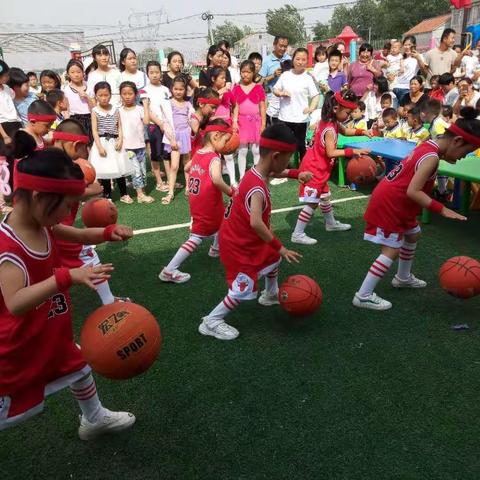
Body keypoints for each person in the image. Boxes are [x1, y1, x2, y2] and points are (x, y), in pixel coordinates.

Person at [0, 143, 135, 437]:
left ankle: (94, 418)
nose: (67, 213)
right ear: (39, 197)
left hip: (47, 330)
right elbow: (15, 302)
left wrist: (108, 233)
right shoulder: (8, 249)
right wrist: (65, 278)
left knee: (79, 365)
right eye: (65, 205)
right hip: (16, 349)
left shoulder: (42, 224)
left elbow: (79, 234)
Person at [353, 108, 480, 310]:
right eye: (466, 152)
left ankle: (402, 277)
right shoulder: (432, 158)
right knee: (392, 249)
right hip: (391, 204)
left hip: (397, 201)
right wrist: (442, 209)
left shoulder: (429, 144)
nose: (464, 157)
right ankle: (363, 295)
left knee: (413, 234)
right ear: (457, 141)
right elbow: (414, 191)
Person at [199, 123, 313, 340]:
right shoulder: (257, 188)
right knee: (243, 286)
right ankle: (212, 320)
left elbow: (274, 171)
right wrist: (281, 247)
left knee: (272, 259)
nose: (289, 162)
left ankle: (270, 294)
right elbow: (256, 223)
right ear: (277, 156)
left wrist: (297, 173)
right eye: (288, 158)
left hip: (241, 238)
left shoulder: (256, 171)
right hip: (238, 245)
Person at [51, 119, 130, 304]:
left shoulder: (49, 160)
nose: (86, 153)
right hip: (55, 229)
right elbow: (60, 193)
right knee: (90, 258)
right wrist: (87, 190)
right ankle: (109, 302)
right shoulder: (55, 166)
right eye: (85, 147)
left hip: (50, 229)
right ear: (76, 145)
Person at [159, 119, 235, 283]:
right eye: (225, 140)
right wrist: (230, 191)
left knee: (224, 220)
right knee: (196, 236)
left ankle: (215, 249)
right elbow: (216, 179)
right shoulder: (214, 158)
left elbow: (187, 168)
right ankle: (169, 270)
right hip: (208, 204)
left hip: (198, 201)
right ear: (216, 136)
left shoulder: (199, 153)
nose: (227, 145)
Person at [291, 90, 371, 245]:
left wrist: (362, 131)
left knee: (324, 196)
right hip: (313, 169)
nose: (349, 116)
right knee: (313, 203)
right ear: (336, 109)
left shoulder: (330, 121)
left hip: (319, 167)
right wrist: (352, 151)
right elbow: (331, 152)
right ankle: (297, 233)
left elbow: (346, 131)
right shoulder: (329, 129)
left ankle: (330, 223)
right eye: (348, 112)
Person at [89, 81, 133, 203]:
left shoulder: (115, 109)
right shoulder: (95, 111)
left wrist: (120, 139)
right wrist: (99, 146)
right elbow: (94, 130)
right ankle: (107, 195)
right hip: (102, 142)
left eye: (106, 95)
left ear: (110, 95)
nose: (104, 98)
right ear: (96, 96)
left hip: (114, 141)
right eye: (100, 95)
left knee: (120, 168)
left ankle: (124, 193)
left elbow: (119, 126)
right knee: (106, 170)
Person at [273, 48, 319, 160]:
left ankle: (302, 169)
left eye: (303, 59)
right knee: (283, 144)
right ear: (293, 59)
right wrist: (281, 93)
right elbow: (275, 89)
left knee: (300, 145)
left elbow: (315, 95)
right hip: (285, 117)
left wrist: (311, 108)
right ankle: (282, 168)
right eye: (298, 59)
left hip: (301, 119)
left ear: (307, 61)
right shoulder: (285, 75)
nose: (300, 62)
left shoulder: (308, 78)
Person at [119, 81, 154, 204]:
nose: (127, 96)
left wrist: (145, 105)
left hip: (140, 145)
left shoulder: (139, 109)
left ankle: (141, 190)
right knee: (136, 170)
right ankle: (140, 195)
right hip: (128, 147)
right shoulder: (119, 111)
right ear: (120, 95)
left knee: (143, 170)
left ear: (135, 94)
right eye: (124, 94)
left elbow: (146, 122)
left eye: (130, 93)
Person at [161, 76, 195, 205]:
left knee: (187, 164)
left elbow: (192, 119)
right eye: (176, 89)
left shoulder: (187, 104)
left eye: (181, 89)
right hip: (174, 138)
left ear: (185, 90)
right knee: (174, 166)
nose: (178, 91)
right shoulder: (168, 103)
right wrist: (172, 139)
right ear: (171, 89)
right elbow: (166, 123)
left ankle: (188, 186)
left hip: (186, 135)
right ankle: (170, 191)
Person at [232, 60, 266, 182]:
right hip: (242, 123)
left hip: (256, 122)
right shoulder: (236, 88)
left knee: (256, 150)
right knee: (242, 151)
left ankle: (256, 175)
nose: (245, 74)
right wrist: (235, 122)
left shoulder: (258, 88)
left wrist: (263, 124)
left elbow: (262, 107)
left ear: (254, 73)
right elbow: (235, 107)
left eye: (248, 72)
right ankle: (242, 176)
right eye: (243, 72)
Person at [144, 61, 171, 192]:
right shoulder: (144, 91)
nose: (154, 75)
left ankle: (171, 180)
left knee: (167, 154)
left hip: (167, 126)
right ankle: (159, 182)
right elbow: (147, 110)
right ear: (147, 74)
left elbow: (169, 108)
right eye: (151, 72)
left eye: (157, 72)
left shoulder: (166, 90)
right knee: (155, 154)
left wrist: (166, 124)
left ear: (161, 73)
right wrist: (160, 123)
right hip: (154, 126)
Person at [210, 67, 236, 186]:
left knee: (229, 154)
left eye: (225, 77)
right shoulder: (210, 93)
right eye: (222, 78)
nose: (225, 80)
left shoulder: (228, 92)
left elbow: (236, 105)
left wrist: (235, 121)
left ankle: (233, 181)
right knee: (215, 156)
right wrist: (219, 93)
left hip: (226, 127)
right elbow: (208, 104)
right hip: (213, 129)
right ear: (213, 79)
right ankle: (215, 180)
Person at [259, 36, 291, 125]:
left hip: (286, 102)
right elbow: (260, 82)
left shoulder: (289, 59)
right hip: (271, 104)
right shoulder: (266, 61)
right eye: (280, 46)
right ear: (274, 45)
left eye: (285, 46)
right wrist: (273, 75)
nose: (283, 49)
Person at [64, 59, 95, 141]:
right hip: (75, 121)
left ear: (83, 73)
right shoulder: (66, 90)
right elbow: (66, 109)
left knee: (91, 144)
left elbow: (94, 108)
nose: (76, 75)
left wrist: (87, 97)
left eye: (78, 72)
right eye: (72, 72)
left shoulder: (90, 87)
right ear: (68, 74)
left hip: (90, 119)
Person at [391, 36, 426, 103]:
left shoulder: (418, 56)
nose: (407, 47)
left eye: (409, 45)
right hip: (394, 88)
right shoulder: (401, 58)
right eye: (405, 45)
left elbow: (424, 71)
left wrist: (418, 58)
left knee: (404, 110)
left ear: (414, 45)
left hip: (407, 88)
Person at [0, 60, 22, 157]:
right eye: (5, 75)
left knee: (18, 155)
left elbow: (12, 105)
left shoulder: (7, 88)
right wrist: (4, 136)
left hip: (16, 124)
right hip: (4, 127)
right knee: (8, 157)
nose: (7, 77)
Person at [190, 88, 220, 157]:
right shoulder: (194, 120)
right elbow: (201, 135)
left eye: (216, 108)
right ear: (201, 104)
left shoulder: (208, 118)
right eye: (212, 107)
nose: (214, 111)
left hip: (209, 154)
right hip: (198, 156)